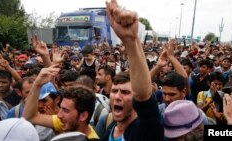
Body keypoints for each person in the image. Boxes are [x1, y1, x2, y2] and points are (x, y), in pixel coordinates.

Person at [96, 0, 163, 140]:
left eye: (125, 92)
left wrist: (130, 41)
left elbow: (143, 95)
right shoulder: (111, 127)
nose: (117, 96)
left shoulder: (146, 129)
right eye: (114, 91)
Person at [23, 65, 99, 140]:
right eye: (61, 108)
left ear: (83, 116)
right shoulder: (66, 122)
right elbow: (29, 117)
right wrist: (37, 84)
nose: (59, 115)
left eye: (66, 110)